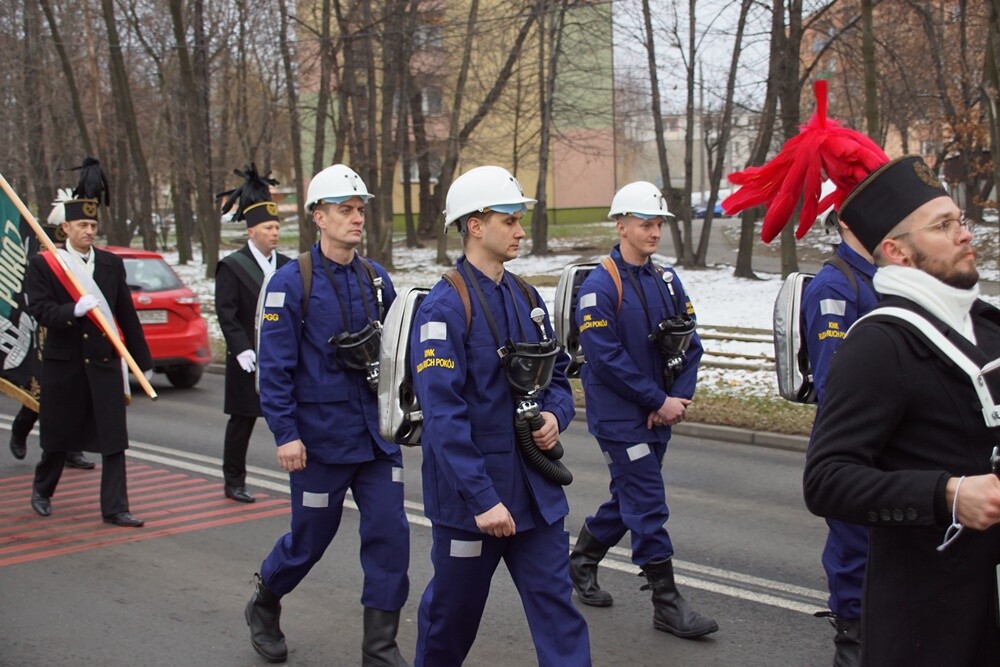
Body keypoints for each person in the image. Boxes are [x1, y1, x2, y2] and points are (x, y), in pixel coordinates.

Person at [724, 81, 1000, 664]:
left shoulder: (989, 323)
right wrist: (946, 494)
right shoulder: (876, 345)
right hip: (929, 622)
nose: (965, 234)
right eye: (944, 225)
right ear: (898, 252)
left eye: (960, 219)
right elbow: (826, 480)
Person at [410, 165, 591, 666]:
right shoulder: (444, 308)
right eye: (509, 220)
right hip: (475, 507)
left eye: (519, 220)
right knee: (451, 620)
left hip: (535, 496)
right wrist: (482, 500)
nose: (519, 230)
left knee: (559, 615)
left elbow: (555, 380)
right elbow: (444, 418)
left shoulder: (528, 298)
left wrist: (555, 416)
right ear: (474, 225)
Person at [245, 164, 409, 665]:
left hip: (376, 440)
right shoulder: (289, 283)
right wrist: (286, 434)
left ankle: (379, 650)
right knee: (309, 540)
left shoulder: (377, 279)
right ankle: (265, 601)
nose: (356, 218)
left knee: (391, 538)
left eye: (360, 209)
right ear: (319, 217)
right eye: (345, 210)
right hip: (319, 442)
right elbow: (273, 369)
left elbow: (399, 352)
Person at [569, 181, 718, 639]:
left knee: (631, 496)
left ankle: (581, 561)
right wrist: (657, 401)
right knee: (648, 502)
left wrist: (678, 401)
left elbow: (690, 344)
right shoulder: (599, 287)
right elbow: (606, 359)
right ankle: (666, 604)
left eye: (658, 224)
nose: (654, 231)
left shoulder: (667, 280)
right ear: (621, 225)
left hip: (659, 411)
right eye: (645, 223)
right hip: (619, 417)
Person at [24, 156, 152, 527]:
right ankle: (42, 490)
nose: (89, 231)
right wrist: (72, 310)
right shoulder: (45, 265)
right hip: (65, 364)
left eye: (93, 224)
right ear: (65, 227)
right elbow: (40, 310)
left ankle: (116, 507)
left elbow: (125, 313)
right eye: (82, 224)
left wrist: (141, 361)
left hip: (103, 362)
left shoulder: (111, 264)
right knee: (58, 438)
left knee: (114, 440)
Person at [800, 212, 877, 666]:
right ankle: (851, 646)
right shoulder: (836, 284)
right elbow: (834, 381)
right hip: (853, 446)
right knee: (855, 553)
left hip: (886, 446)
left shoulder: (885, 277)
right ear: (849, 222)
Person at [215, 164, 290, 503]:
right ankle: (234, 480)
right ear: (251, 232)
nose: (274, 233)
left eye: (276, 227)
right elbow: (226, 312)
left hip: (282, 358)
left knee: (294, 418)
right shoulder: (232, 266)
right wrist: (241, 348)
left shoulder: (288, 266)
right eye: (267, 228)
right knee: (242, 422)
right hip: (248, 358)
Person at [9, 196, 100, 470]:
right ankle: (20, 430)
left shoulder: (84, 254)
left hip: (72, 328)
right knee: (42, 390)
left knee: (77, 394)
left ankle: (73, 451)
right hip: (41, 327)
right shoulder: (40, 251)